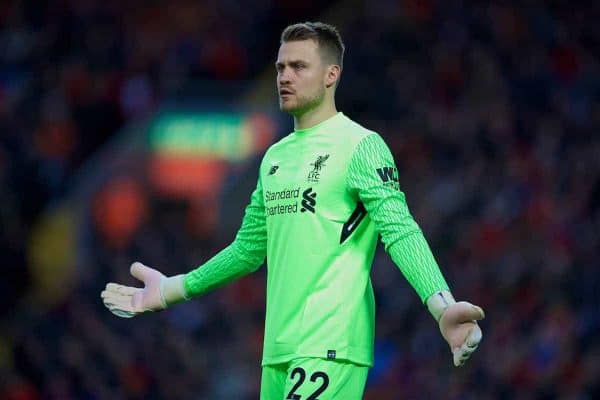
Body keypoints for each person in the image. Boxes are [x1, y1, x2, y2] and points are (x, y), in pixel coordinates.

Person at [101, 21, 485, 399]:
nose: (285, 76)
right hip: (279, 350)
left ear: (331, 74)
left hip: (331, 343)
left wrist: (442, 306)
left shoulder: (361, 146)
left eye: (299, 66)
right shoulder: (274, 157)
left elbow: (400, 229)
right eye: (281, 67)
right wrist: (173, 288)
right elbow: (248, 250)